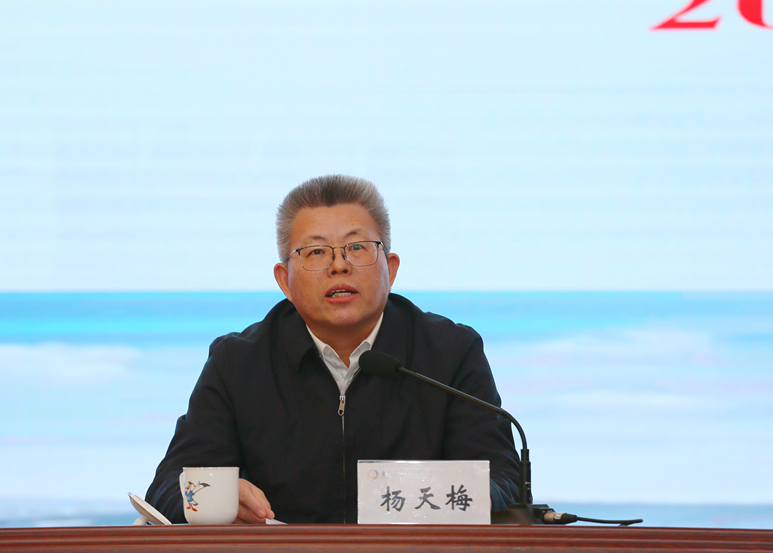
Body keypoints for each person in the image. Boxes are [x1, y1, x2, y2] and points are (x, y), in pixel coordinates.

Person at [145, 175, 522, 523]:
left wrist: (426, 500)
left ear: (390, 269)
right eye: (315, 252)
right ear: (285, 281)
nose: (339, 265)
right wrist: (221, 499)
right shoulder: (238, 364)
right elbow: (167, 490)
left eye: (357, 247)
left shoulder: (450, 353)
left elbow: (505, 482)